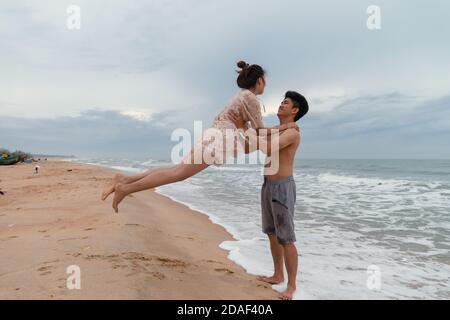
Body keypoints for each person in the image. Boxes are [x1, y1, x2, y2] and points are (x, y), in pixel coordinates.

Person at [101, 61, 298, 212]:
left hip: (213, 135)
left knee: (175, 170)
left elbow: (249, 136)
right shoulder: (252, 99)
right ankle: (125, 189)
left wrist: (276, 130)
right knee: (177, 174)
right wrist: (286, 126)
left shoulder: (242, 96)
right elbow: (259, 132)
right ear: (260, 81)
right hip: (220, 140)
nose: (266, 86)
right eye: (265, 81)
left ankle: (125, 180)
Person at [236, 91, 308, 300]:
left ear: (295, 110)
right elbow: (257, 137)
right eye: (281, 102)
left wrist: (250, 133)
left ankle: (291, 285)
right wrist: (243, 125)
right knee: (271, 233)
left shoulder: (292, 133)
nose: (281, 105)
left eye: (285, 103)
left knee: (286, 238)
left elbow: (267, 145)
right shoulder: (280, 129)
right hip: (268, 185)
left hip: (282, 188)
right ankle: (278, 275)